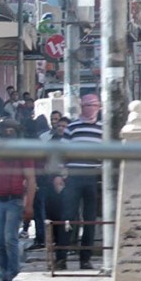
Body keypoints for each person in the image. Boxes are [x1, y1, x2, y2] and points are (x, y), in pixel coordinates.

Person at [0, 120, 36, 281]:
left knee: (9, 239)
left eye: (11, 131)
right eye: (6, 131)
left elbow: (31, 180)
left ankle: (13, 277)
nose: (8, 134)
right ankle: (5, 277)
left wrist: (29, 205)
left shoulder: (24, 154)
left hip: (15, 200)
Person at [55, 93, 102, 271]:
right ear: (82, 106)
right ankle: (61, 257)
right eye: (87, 105)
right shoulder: (72, 127)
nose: (89, 109)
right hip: (74, 176)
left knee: (90, 220)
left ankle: (85, 259)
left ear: (98, 107)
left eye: (93, 105)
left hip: (93, 177)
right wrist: (60, 174)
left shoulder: (102, 129)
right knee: (68, 217)